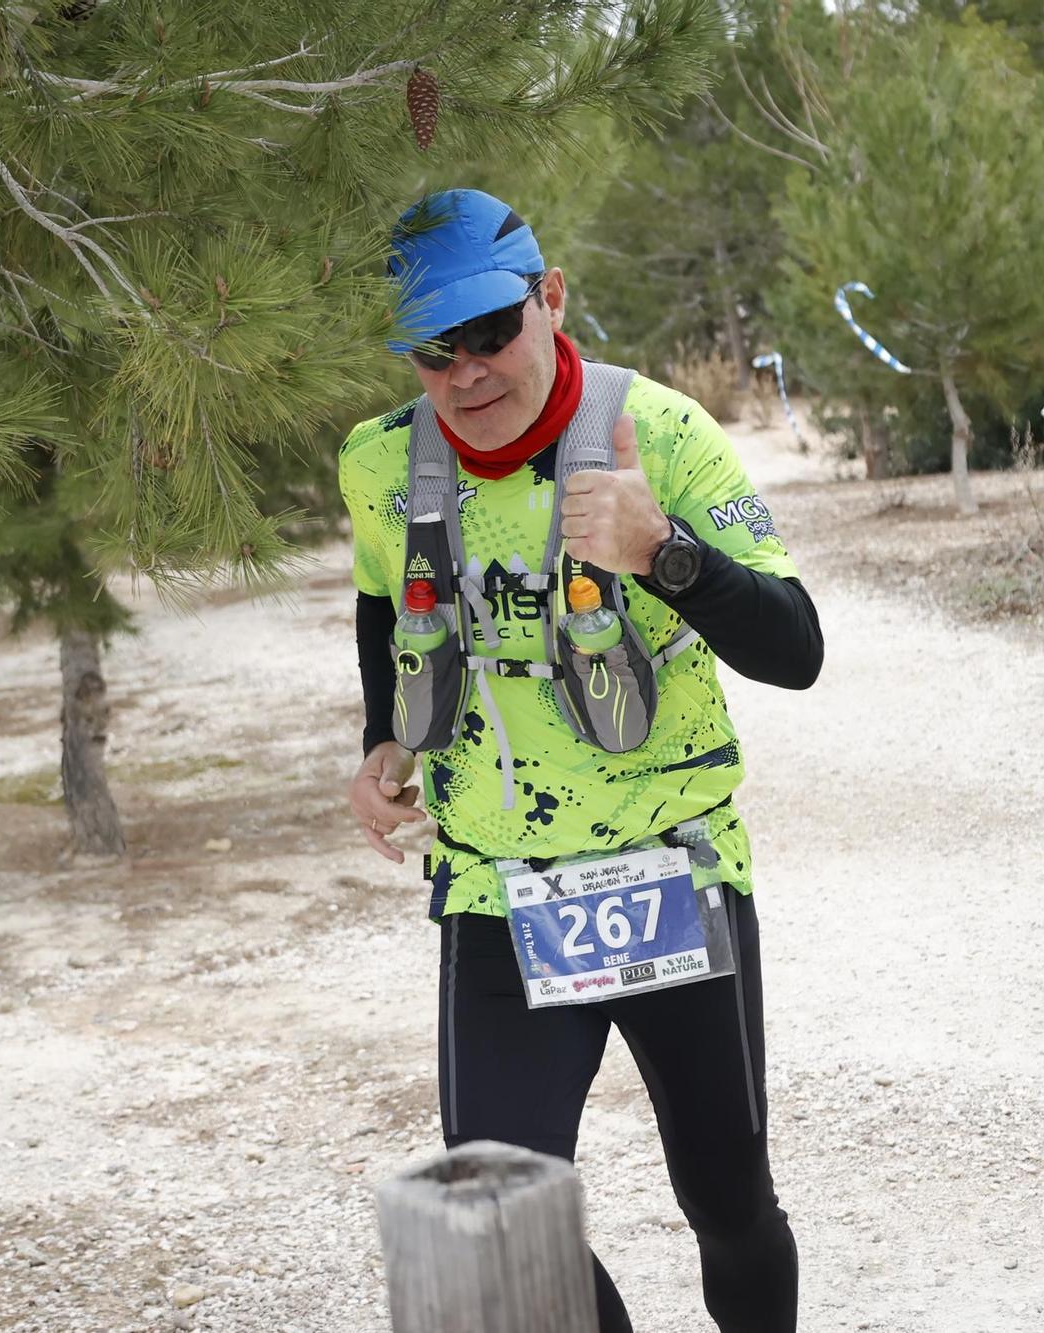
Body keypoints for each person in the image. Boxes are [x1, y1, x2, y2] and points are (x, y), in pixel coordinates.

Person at [340, 188, 822, 1333]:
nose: (465, 372)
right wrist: (380, 738)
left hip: (669, 876)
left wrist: (664, 552)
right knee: (494, 1219)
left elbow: (795, 650)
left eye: (490, 333)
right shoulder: (377, 463)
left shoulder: (657, 433)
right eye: (431, 349)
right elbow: (380, 603)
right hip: (494, 886)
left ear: (550, 297)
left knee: (725, 1199)